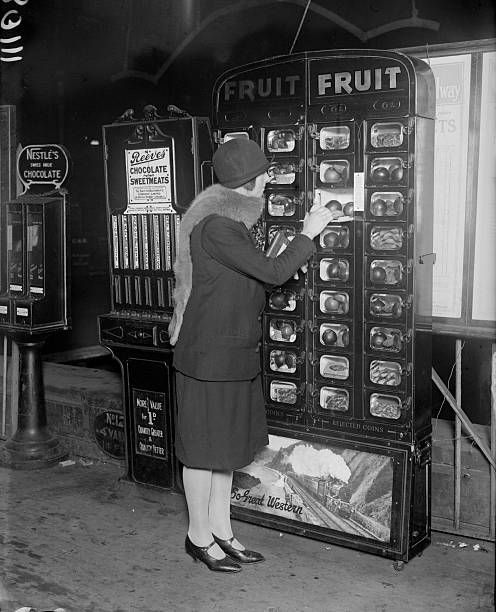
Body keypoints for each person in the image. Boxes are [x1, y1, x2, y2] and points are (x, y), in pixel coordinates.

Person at [168, 138, 333, 573]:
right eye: (265, 175)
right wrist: (308, 232)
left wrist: (284, 257)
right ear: (250, 182)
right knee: (202, 452)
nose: (269, 181)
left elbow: (249, 278)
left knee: (225, 450)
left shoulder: (227, 223)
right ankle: (198, 537)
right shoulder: (218, 227)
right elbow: (271, 273)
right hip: (209, 359)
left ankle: (222, 531)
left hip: (232, 353)